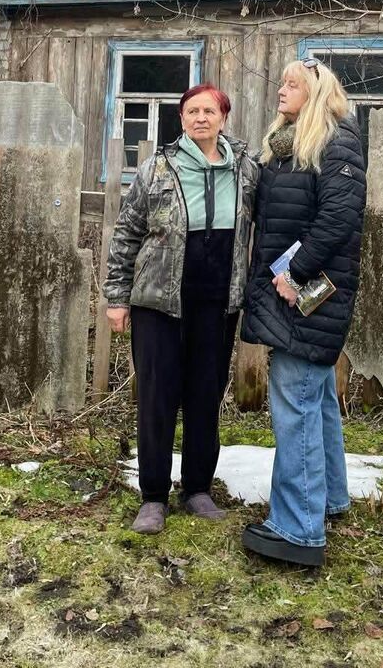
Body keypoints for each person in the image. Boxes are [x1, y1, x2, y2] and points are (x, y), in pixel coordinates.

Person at [104, 84, 260, 535]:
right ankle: (153, 497)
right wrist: (117, 297)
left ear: (224, 117)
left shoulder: (246, 169)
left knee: (205, 397)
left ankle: (196, 489)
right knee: (157, 397)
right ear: (182, 119)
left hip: (217, 302)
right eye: (192, 111)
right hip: (159, 302)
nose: (200, 118)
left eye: (209, 110)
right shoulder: (158, 168)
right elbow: (126, 233)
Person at [240, 58, 367, 567]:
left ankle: (297, 527)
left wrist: (295, 274)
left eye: (293, 84)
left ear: (317, 93)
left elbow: (338, 218)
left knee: (294, 400)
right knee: (315, 400)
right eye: (281, 82)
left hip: (309, 294)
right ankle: (329, 499)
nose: (281, 90)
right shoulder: (290, 147)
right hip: (294, 291)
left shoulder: (336, 143)